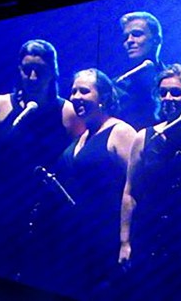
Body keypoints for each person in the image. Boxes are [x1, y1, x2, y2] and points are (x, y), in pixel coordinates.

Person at [0, 39, 85, 284]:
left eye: (38, 71)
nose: (31, 77)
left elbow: (80, 163)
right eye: (26, 69)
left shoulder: (67, 112)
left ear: (53, 72)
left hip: (44, 213)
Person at [119, 64, 181, 301]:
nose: (168, 98)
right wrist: (125, 241)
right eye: (163, 92)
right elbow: (130, 192)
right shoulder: (145, 137)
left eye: (176, 92)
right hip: (148, 233)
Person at [45, 68, 136, 300]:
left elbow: (137, 185)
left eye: (84, 91)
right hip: (75, 237)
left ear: (104, 98)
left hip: (105, 237)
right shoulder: (83, 135)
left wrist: (126, 239)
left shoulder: (120, 132)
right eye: (73, 91)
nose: (75, 96)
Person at [114, 11, 167, 130]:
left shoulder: (174, 79)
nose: (129, 41)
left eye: (136, 34)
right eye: (125, 37)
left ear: (156, 40)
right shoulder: (117, 85)